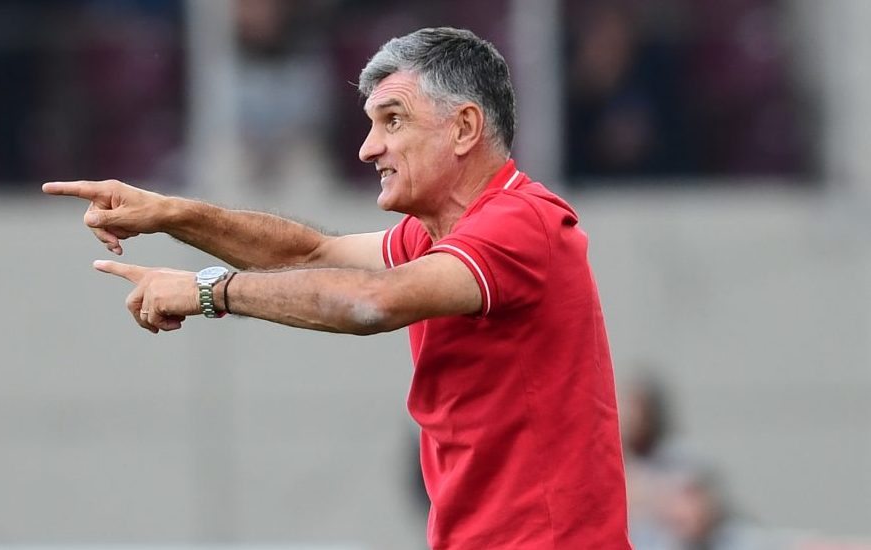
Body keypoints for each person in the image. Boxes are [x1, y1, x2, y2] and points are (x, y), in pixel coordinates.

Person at [44, 27, 631, 549]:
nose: (368, 148)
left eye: (393, 120)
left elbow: (372, 303)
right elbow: (311, 252)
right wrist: (171, 213)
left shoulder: (520, 222)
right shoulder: (437, 235)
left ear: (464, 128)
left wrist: (208, 292)